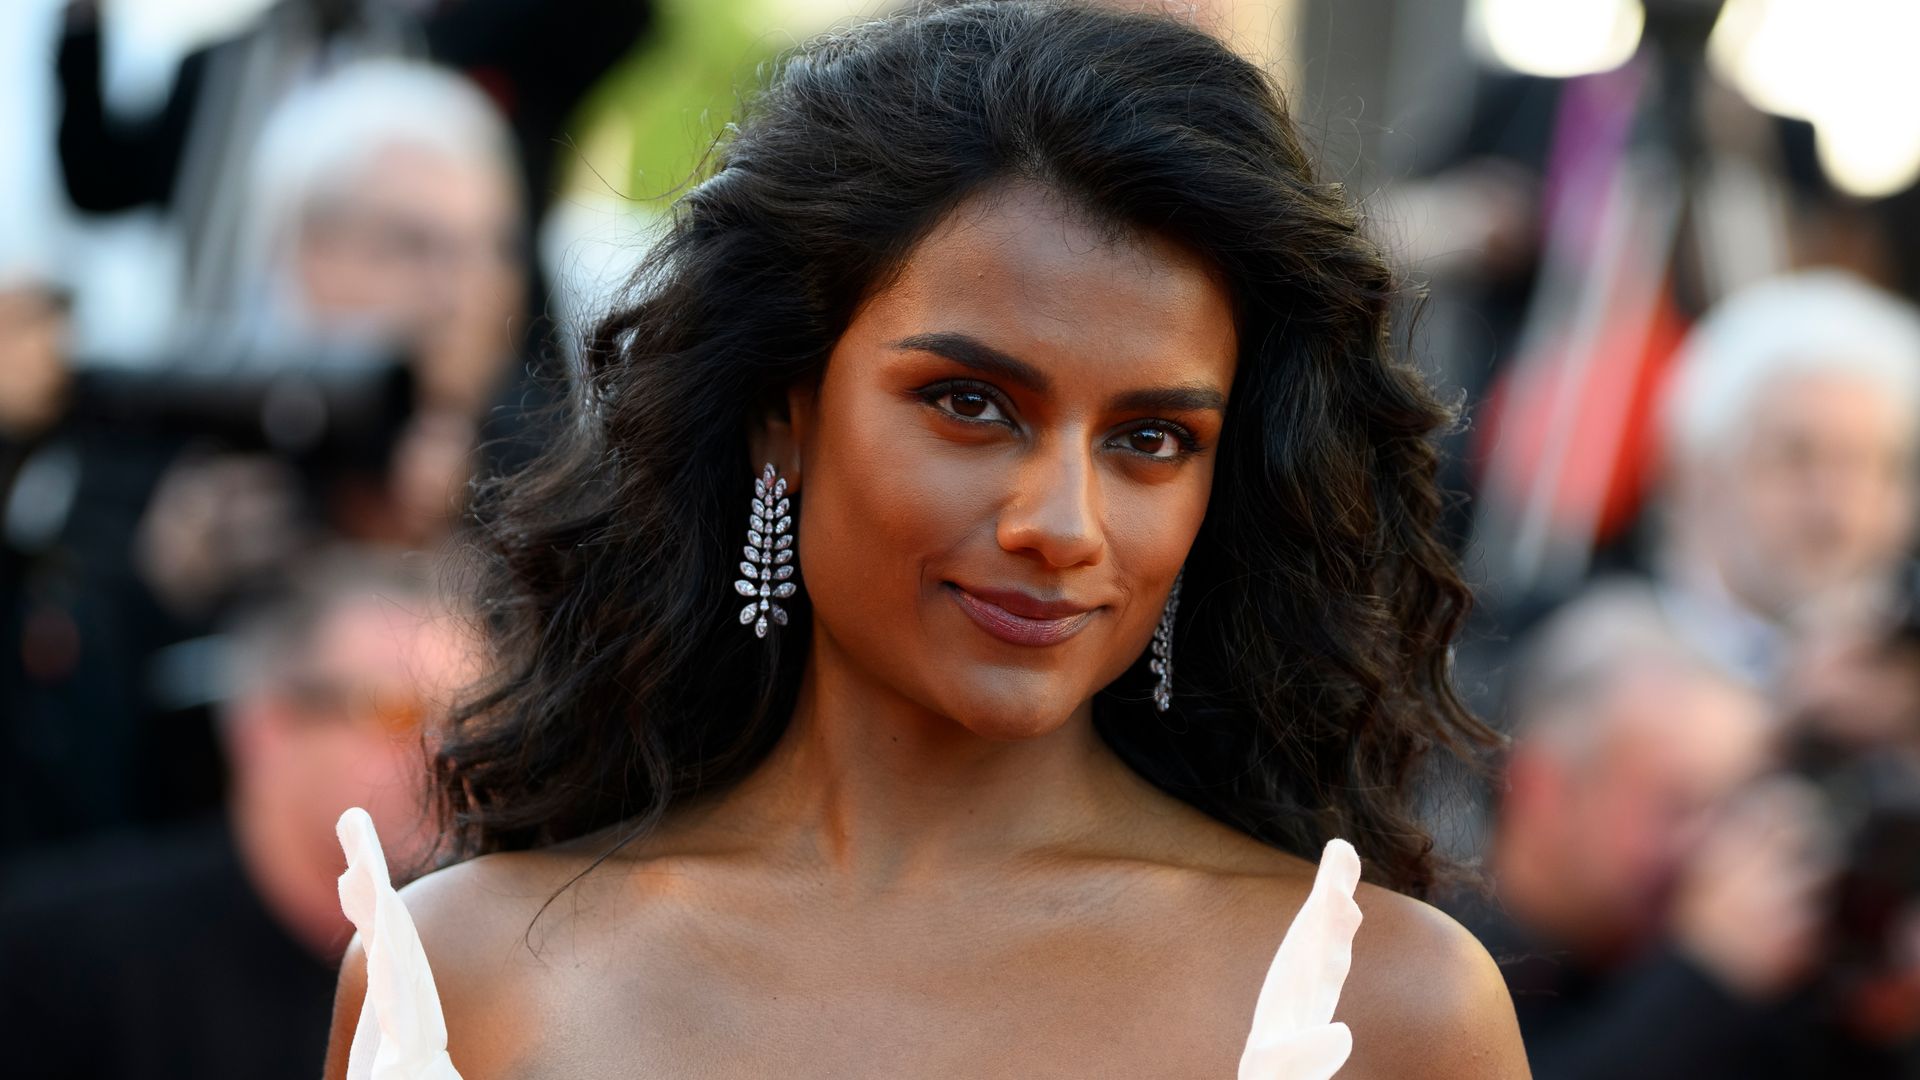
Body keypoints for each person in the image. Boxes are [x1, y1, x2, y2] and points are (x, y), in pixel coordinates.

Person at [324, 4, 1528, 1077]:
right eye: (970, 405)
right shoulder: (459, 971)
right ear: (781, 418)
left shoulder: (1388, 1005)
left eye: (1152, 439)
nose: (1061, 524)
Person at [1, 548, 477, 1079]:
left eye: (474, 724)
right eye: (397, 711)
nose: (446, 755)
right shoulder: (51, 963)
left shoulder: (498, 973)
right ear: (266, 728)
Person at [1456, 589, 1847, 1078]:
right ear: (1543, 789)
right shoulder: (1427, 961)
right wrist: (1702, 979)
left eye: (1733, 808)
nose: (1714, 848)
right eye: (1681, 806)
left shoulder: (1706, 957)